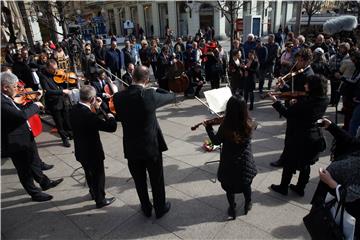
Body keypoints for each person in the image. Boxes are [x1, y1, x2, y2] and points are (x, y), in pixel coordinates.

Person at [113, 66, 175, 218]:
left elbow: (119, 117)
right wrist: (154, 89)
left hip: (132, 147)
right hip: (151, 147)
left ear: (132, 77)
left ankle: (146, 208)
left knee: (139, 181)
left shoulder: (118, 97)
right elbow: (171, 96)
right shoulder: (149, 95)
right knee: (156, 179)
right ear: (147, 79)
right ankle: (160, 208)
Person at [1, 72, 63, 202]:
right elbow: (21, 116)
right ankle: (34, 193)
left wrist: (33, 102)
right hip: (15, 141)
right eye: (14, 86)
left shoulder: (6, 97)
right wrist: (35, 106)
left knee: (34, 162)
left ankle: (45, 183)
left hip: (25, 135)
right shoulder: (2, 101)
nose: (17, 89)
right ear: (5, 87)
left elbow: (18, 109)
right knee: (24, 169)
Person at [268, 74, 329, 196]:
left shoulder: (305, 104)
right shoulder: (323, 99)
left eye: (308, 84)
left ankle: (283, 187)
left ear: (313, 87)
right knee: (305, 164)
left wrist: (275, 102)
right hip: (314, 135)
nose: (305, 85)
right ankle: (300, 188)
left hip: (300, 136)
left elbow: (288, 113)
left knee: (289, 163)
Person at [204, 96, 257, 219]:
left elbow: (216, 142)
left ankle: (232, 208)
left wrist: (208, 127)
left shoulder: (225, 127)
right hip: (245, 162)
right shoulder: (250, 123)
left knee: (229, 188)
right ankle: (248, 203)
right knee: (246, 185)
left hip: (229, 163)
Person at [310, 118, 360, 239]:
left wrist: (330, 182)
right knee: (317, 224)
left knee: (329, 232)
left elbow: (352, 195)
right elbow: (351, 141)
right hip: (328, 196)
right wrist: (331, 126)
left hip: (341, 208)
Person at [70, 85, 117, 208]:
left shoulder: (73, 109)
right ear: (92, 99)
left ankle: (93, 192)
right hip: (92, 152)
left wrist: (94, 108)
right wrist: (107, 112)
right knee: (98, 176)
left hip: (80, 150)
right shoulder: (89, 115)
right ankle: (100, 199)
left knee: (88, 173)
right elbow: (111, 127)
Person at [38, 59, 73, 147]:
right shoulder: (43, 76)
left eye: (56, 68)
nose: (56, 71)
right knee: (59, 122)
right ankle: (64, 138)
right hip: (54, 102)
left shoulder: (58, 73)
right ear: (48, 68)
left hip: (63, 100)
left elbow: (63, 85)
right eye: (53, 69)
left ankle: (70, 133)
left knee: (67, 118)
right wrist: (62, 91)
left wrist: (66, 81)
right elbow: (48, 91)